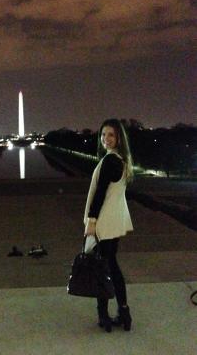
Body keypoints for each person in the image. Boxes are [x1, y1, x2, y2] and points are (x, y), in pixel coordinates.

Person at [83, 119, 134, 333]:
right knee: (112, 266)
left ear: (119, 138)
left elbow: (100, 194)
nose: (106, 139)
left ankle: (103, 316)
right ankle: (124, 312)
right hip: (116, 220)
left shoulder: (109, 161)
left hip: (104, 222)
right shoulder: (123, 160)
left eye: (110, 135)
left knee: (101, 269)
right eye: (103, 135)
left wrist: (92, 222)